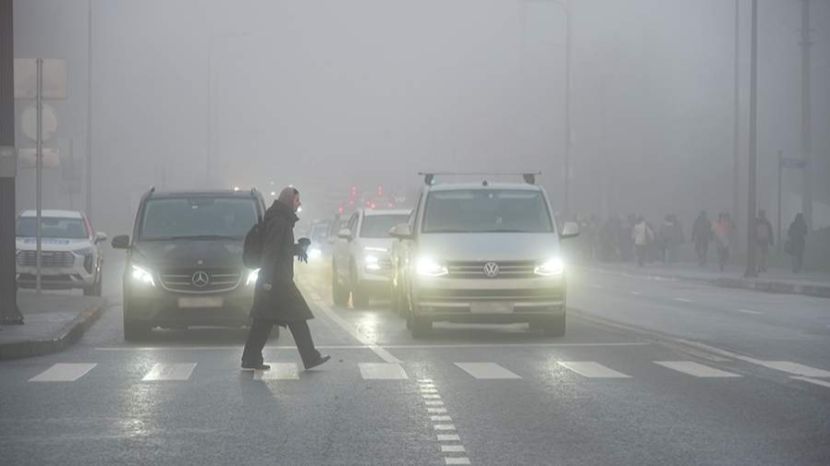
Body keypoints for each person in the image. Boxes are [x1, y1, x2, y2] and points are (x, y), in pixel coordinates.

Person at [241, 187, 330, 371]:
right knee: (297, 318)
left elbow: (281, 249)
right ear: (289, 201)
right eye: (297, 201)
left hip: (274, 282)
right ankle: (310, 356)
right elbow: (271, 252)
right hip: (277, 283)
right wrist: (267, 280)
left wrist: (298, 249)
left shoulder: (280, 219)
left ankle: (250, 359)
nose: (299, 204)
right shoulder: (280, 222)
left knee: (263, 322)